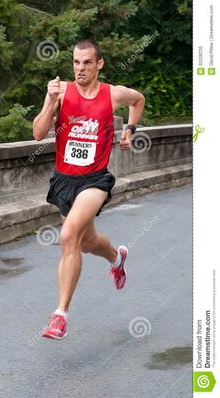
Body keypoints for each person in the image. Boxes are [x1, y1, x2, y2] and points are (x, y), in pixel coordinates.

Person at [33, 40, 145, 340]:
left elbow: (139, 100)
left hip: (95, 179)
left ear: (99, 64)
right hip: (64, 180)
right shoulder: (62, 91)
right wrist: (50, 101)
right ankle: (117, 258)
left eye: (86, 63)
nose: (80, 69)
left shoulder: (113, 94)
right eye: (75, 63)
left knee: (68, 236)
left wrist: (130, 130)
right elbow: (39, 132)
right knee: (85, 241)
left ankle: (60, 316)